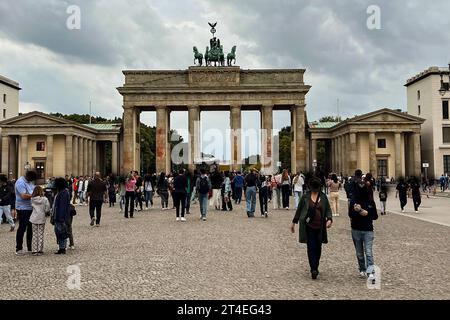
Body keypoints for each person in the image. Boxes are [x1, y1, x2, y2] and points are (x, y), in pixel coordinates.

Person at [290, 177, 333, 279]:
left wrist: (329, 219)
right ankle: (313, 268)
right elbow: (299, 210)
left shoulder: (323, 197)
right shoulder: (305, 197)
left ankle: (316, 264)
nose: (315, 189)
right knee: (311, 247)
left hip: (320, 226)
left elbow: (327, 209)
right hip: (308, 226)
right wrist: (293, 222)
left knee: (318, 247)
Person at [348, 170, 378, 283]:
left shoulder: (370, 201)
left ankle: (371, 273)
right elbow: (350, 214)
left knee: (368, 252)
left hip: (368, 230)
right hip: (356, 229)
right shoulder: (354, 201)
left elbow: (375, 216)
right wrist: (356, 210)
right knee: (360, 253)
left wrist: (367, 213)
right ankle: (362, 268)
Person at [15, 170, 37, 255]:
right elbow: (23, 195)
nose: (32, 181)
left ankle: (30, 247)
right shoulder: (20, 182)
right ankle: (19, 248)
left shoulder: (29, 182)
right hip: (22, 208)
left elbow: (33, 190)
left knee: (30, 228)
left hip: (30, 207)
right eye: (32, 179)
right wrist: (35, 195)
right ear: (28, 176)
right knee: (22, 228)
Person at [29, 186, 51, 256]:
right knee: (41, 234)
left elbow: (31, 206)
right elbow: (47, 208)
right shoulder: (45, 199)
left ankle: (34, 250)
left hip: (34, 217)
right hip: (41, 217)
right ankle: (40, 250)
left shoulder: (32, 199)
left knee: (34, 234)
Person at [52, 177, 71, 255]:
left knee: (61, 232)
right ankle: (61, 247)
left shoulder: (63, 193)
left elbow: (62, 206)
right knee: (59, 232)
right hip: (59, 215)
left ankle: (62, 248)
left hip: (60, 216)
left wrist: (60, 217)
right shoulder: (62, 192)